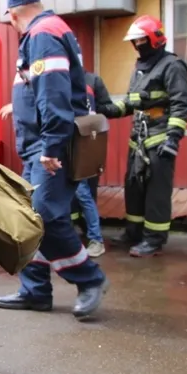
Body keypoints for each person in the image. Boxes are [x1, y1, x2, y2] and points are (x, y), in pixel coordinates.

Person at [0, 0, 109, 319]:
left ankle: (90, 278)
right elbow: (45, 91)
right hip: (38, 146)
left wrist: (51, 147)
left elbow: (54, 96)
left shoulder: (42, 35)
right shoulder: (51, 30)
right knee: (30, 216)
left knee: (45, 213)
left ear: (13, 14)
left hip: (48, 147)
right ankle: (35, 290)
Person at [104, 15, 187, 257]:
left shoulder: (172, 66)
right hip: (139, 137)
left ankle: (154, 240)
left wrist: (173, 139)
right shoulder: (140, 68)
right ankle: (134, 232)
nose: (137, 45)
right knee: (133, 186)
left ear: (154, 40)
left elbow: (181, 103)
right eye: (135, 41)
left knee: (156, 191)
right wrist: (109, 109)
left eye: (141, 40)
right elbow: (133, 102)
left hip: (160, 138)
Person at [69, 72, 113, 258]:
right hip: (61, 144)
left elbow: (104, 109)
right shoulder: (57, 79)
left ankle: (96, 240)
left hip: (80, 145)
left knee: (83, 193)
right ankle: (66, 240)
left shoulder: (89, 80)